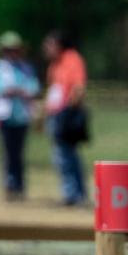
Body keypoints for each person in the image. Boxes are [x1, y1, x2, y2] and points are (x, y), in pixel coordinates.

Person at [0, 32, 39, 201]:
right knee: (8, 153)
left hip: (22, 116)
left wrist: (17, 90)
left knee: (19, 153)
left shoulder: (26, 67)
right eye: (8, 49)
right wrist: (19, 90)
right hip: (4, 116)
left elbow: (33, 89)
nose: (11, 52)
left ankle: (19, 186)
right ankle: (9, 186)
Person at [43, 31, 88, 206]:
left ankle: (74, 195)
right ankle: (73, 193)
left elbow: (78, 87)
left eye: (49, 45)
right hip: (56, 113)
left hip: (66, 114)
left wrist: (68, 111)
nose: (46, 49)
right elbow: (53, 89)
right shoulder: (54, 65)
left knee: (66, 156)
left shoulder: (72, 59)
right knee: (62, 155)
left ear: (58, 44)